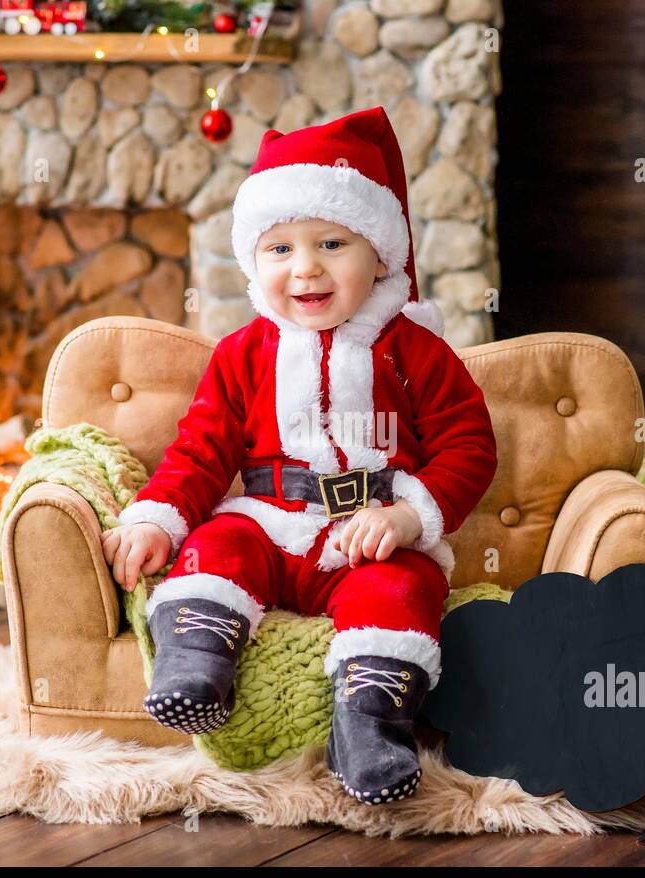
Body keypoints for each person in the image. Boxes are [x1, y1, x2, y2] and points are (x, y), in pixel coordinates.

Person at [100, 105, 497, 805]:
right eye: (280, 249)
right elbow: (199, 449)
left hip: (368, 534)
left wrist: (409, 518)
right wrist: (157, 518)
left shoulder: (415, 352)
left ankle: (370, 724)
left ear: (379, 252)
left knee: (402, 588)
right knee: (215, 548)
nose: (305, 268)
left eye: (332, 244)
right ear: (255, 261)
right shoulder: (243, 354)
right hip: (266, 516)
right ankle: (195, 662)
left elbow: (469, 445)